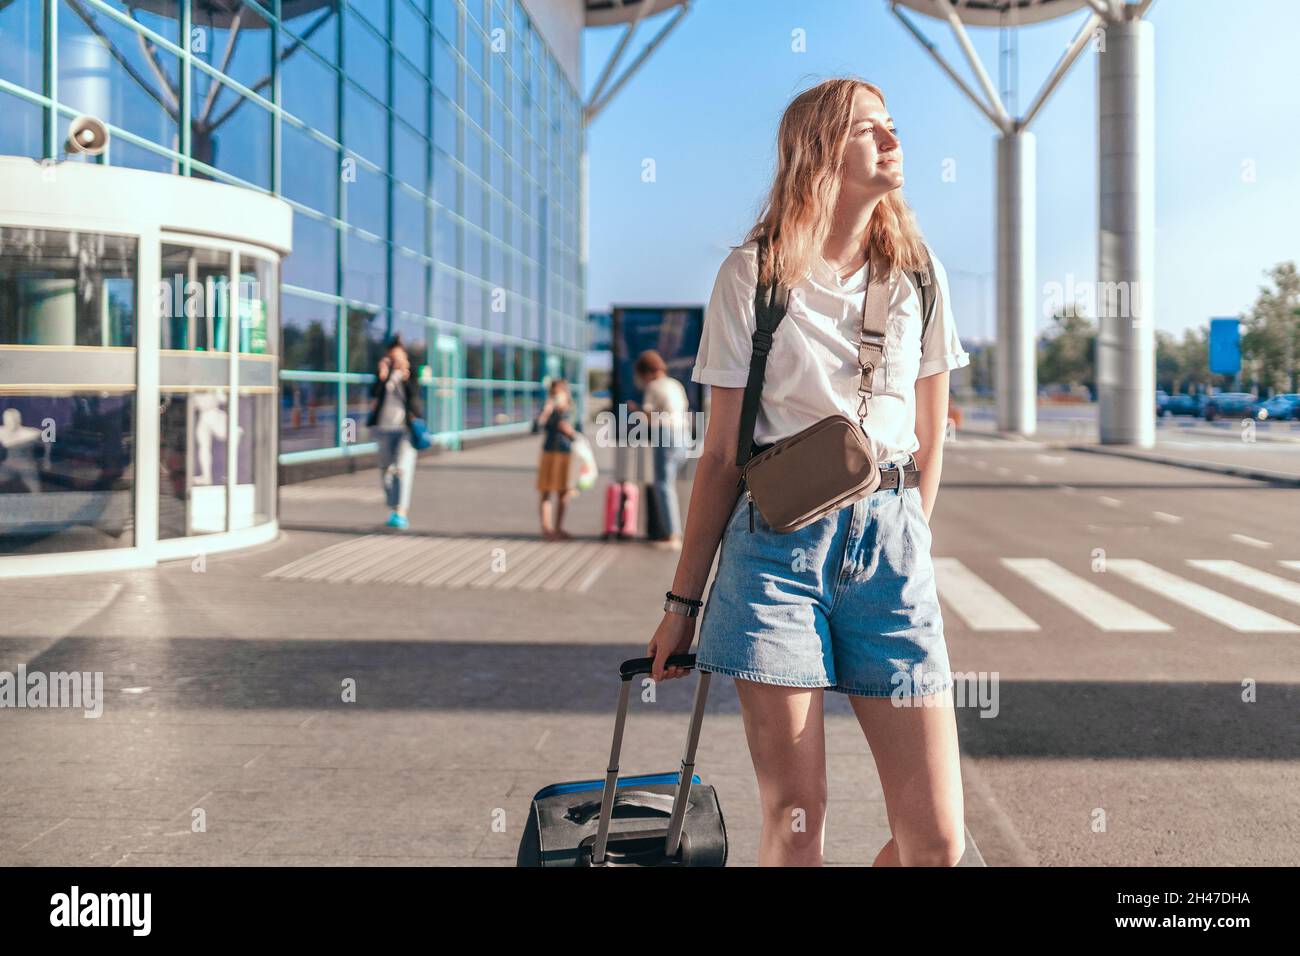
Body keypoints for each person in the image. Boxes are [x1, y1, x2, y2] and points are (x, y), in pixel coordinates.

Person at [647, 78, 972, 867]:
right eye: (871, 129)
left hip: (890, 553)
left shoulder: (919, 278)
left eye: (893, 126)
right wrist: (682, 605)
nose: (894, 141)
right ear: (821, 148)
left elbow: (933, 437)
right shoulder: (751, 276)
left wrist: (909, 540)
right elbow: (721, 457)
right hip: (775, 558)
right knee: (796, 813)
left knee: (937, 841)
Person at [629, 350, 691, 550]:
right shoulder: (675, 384)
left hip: (666, 434)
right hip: (684, 435)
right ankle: (673, 532)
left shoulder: (653, 387)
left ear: (646, 372)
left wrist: (634, 409)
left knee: (663, 485)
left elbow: (648, 416)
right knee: (669, 484)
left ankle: (673, 535)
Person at [367, 335, 422, 529]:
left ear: (405, 356)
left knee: (401, 469)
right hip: (383, 429)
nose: (395, 361)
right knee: (385, 470)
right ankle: (393, 504)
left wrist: (405, 376)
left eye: (399, 357)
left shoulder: (411, 374)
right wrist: (382, 376)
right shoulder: (383, 374)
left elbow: (415, 396)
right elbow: (372, 393)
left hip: (405, 429)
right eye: (392, 357)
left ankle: (400, 512)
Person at [534, 378, 580, 541]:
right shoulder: (548, 409)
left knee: (563, 492)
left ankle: (559, 528)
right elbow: (535, 428)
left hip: (565, 452)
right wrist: (546, 412)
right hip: (549, 451)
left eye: (558, 392)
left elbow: (579, 432)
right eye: (553, 393)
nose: (555, 395)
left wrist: (570, 432)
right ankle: (547, 528)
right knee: (546, 490)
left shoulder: (571, 409)